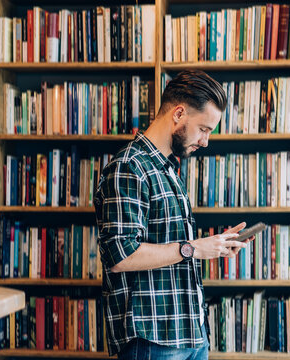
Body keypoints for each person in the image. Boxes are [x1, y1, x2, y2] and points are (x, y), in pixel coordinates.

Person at [94, 70, 252, 360]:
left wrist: (212, 246)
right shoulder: (129, 167)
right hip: (153, 339)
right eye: (204, 129)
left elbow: (175, 249)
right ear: (179, 113)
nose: (206, 141)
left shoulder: (168, 168)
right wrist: (193, 248)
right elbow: (120, 256)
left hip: (191, 333)